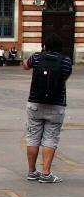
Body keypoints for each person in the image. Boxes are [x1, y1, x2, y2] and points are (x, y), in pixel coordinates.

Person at [23, 32, 72, 183]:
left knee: (32, 138)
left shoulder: (37, 57)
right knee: (50, 138)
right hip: (56, 105)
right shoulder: (66, 61)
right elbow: (65, 77)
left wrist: (27, 60)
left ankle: (32, 171)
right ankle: (45, 173)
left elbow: (26, 66)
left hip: (35, 103)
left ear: (44, 46)